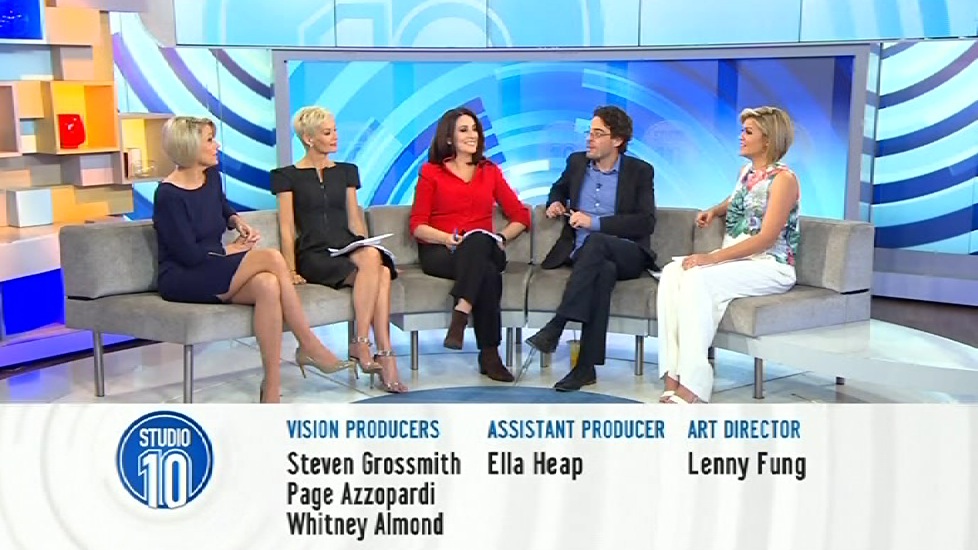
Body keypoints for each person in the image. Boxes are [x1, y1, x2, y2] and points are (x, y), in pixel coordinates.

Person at [152, 116, 355, 404]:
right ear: (189, 146)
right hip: (183, 276)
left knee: (268, 285)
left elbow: (221, 206)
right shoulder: (168, 195)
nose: (217, 145)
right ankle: (308, 343)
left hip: (212, 267)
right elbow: (188, 255)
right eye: (209, 140)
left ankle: (271, 385)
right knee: (271, 257)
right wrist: (232, 251)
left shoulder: (211, 176)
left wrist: (236, 221)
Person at [657, 106, 800, 404]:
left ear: (768, 139)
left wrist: (712, 258)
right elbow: (739, 198)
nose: (741, 137)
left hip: (770, 265)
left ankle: (694, 384)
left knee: (697, 278)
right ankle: (673, 373)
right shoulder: (746, 173)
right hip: (738, 261)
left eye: (748, 132)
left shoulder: (784, 180)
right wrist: (714, 210)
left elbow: (766, 238)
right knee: (671, 274)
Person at [271, 106, 407, 393]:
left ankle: (364, 343)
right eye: (327, 132)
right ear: (309, 138)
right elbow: (286, 227)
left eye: (334, 130)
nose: (335, 137)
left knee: (378, 266)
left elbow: (355, 219)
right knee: (381, 275)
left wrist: (369, 250)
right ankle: (381, 355)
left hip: (346, 246)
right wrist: (291, 270)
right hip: (314, 254)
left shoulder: (346, 172)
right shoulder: (286, 176)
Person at [525, 105, 657, 392]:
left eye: (598, 133)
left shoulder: (640, 171)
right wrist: (554, 202)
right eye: (589, 132)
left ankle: (557, 325)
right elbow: (558, 188)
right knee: (602, 272)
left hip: (628, 252)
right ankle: (585, 368)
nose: (589, 139)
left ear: (617, 140)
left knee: (596, 241)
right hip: (586, 257)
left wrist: (594, 223)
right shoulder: (576, 163)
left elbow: (646, 222)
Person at [408, 106, 531, 382]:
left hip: (485, 246)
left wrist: (501, 238)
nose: (472, 134)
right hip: (442, 251)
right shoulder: (431, 173)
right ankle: (490, 355)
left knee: (478, 239)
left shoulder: (490, 171)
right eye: (464, 130)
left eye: (475, 129)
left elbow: (521, 216)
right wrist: (447, 239)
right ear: (448, 138)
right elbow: (418, 226)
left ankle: (461, 312)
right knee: (487, 273)